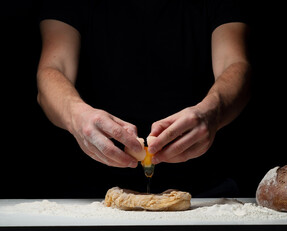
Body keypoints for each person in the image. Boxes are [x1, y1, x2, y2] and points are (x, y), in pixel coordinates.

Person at [37, 0, 251, 197]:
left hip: (206, 188)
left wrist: (212, 109)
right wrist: (76, 115)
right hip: (86, 189)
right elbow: (53, 69)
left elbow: (235, 65)